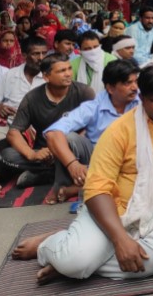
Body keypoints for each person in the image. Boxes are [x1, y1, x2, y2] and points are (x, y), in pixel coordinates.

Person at [10, 64, 153, 283]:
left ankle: (78, 263)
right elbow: (96, 188)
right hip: (115, 212)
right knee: (76, 260)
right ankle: (52, 247)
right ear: (142, 99)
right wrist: (120, 240)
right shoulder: (119, 130)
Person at [43, 60, 140, 204]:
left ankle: (77, 189)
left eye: (135, 81)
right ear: (111, 88)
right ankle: (68, 185)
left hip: (133, 158)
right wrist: (73, 164)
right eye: (127, 83)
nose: (135, 88)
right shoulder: (93, 106)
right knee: (69, 138)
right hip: (98, 160)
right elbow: (52, 133)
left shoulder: (143, 102)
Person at [0, 54, 95, 188]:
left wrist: (61, 148)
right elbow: (13, 132)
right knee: (7, 155)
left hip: (75, 150)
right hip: (45, 154)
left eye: (69, 69)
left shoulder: (84, 92)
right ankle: (51, 173)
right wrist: (32, 154)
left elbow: (93, 127)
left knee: (71, 137)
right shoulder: (32, 98)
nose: (68, 74)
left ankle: (48, 174)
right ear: (46, 76)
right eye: (61, 71)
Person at [0, 37, 47, 122]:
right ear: (24, 55)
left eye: (44, 53)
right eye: (36, 54)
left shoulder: (51, 77)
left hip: (40, 125)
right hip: (9, 123)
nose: (41, 58)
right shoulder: (10, 74)